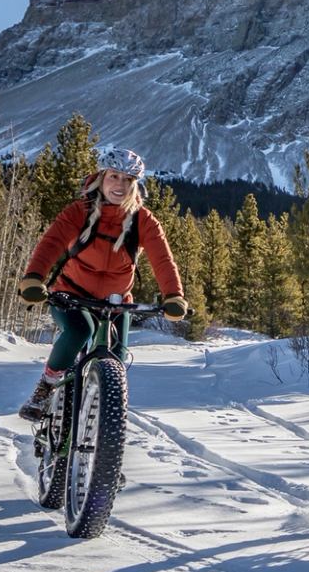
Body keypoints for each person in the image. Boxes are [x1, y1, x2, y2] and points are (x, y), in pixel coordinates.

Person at [15, 147, 188, 429]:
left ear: (135, 185)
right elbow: (51, 243)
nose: (119, 185)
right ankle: (45, 387)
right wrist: (34, 278)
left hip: (116, 302)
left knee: (116, 363)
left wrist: (174, 296)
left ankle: (104, 453)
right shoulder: (78, 212)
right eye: (114, 176)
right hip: (71, 296)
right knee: (79, 331)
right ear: (101, 177)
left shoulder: (143, 220)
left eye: (128, 180)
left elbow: (163, 260)